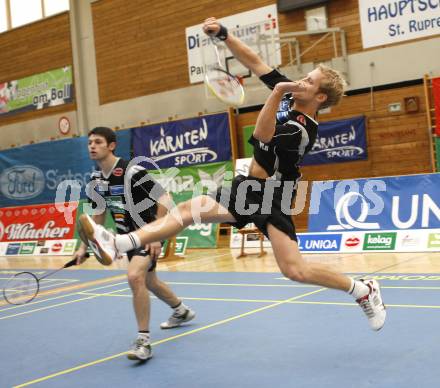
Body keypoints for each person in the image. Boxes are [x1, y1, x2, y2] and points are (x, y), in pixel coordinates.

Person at [79, 19, 386, 331]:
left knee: (296, 271)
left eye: (309, 81)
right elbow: (254, 61)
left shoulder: (302, 129)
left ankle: (362, 289)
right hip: (249, 187)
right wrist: (225, 35)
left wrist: (278, 92)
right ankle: (119, 242)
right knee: (188, 210)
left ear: (320, 97)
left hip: (272, 196)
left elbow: (263, 134)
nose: (301, 82)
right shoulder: (290, 96)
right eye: (304, 77)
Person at [74, 126, 195, 362]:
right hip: (124, 238)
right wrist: (84, 246)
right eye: (89, 142)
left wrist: (158, 233)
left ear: (111, 146)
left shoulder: (131, 171)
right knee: (149, 281)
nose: (92, 146)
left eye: (98, 142)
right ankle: (181, 311)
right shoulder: (96, 180)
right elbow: (97, 217)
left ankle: (143, 341)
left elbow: (165, 198)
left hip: (147, 233)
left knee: (134, 277)